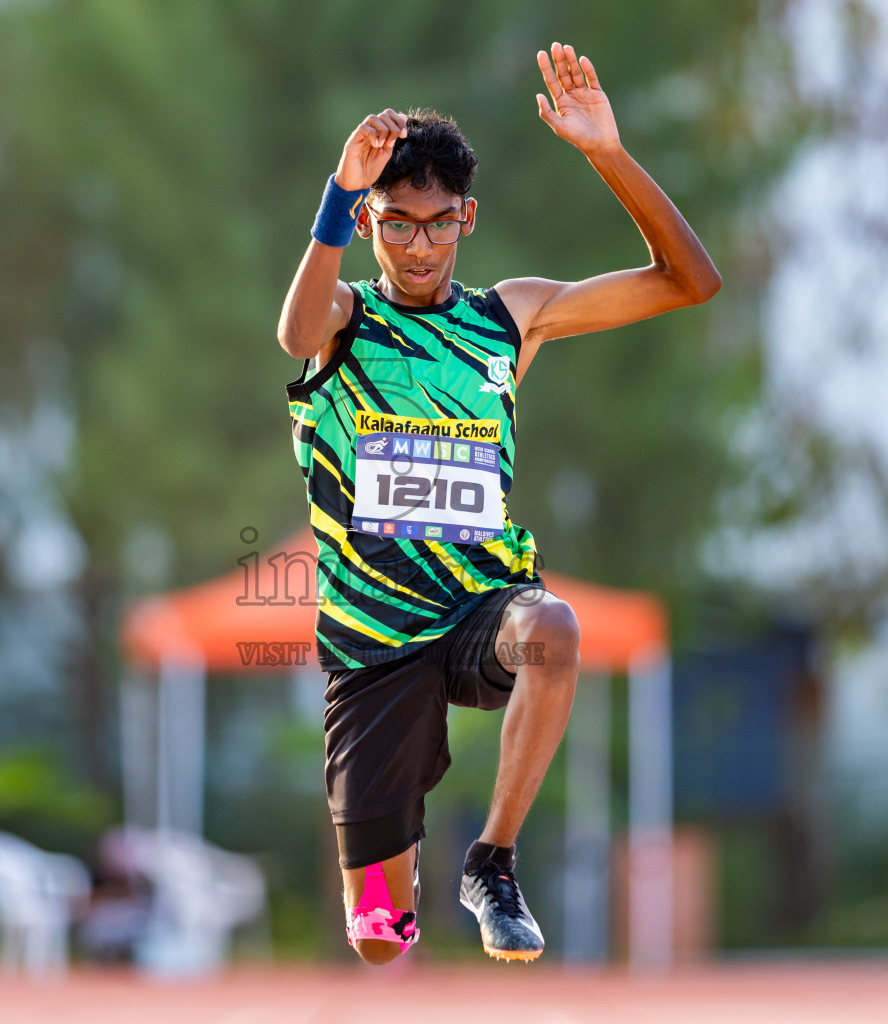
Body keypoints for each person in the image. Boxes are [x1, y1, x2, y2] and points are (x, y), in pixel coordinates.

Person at [276, 42, 720, 964]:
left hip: (482, 606)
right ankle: (399, 866)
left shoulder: (508, 318)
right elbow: (292, 329)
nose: (420, 247)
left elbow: (690, 282)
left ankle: (493, 859)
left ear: (467, 219)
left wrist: (607, 153)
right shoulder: (351, 319)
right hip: (373, 640)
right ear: (370, 224)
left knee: (555, 627)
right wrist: (335, 194)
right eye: (396, 224)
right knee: (382, 941)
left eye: (438, 225)